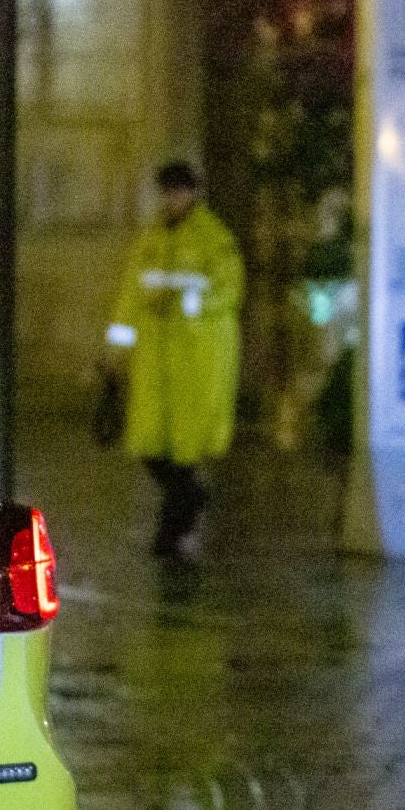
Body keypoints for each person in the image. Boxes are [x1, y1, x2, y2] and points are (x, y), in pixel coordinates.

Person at [105, 162, 245, 560]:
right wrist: (116, 351)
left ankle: (170, 536)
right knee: (151, 449)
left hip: (196, 361)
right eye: (167, 192)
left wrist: (183, 304)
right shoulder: (149, 240)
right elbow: (129, 297)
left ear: (193, 193)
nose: (171, 199)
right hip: (154, 362)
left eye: (178, 191)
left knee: (183, 453)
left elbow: (228, 291)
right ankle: (189, 507)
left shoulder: (215, 240)